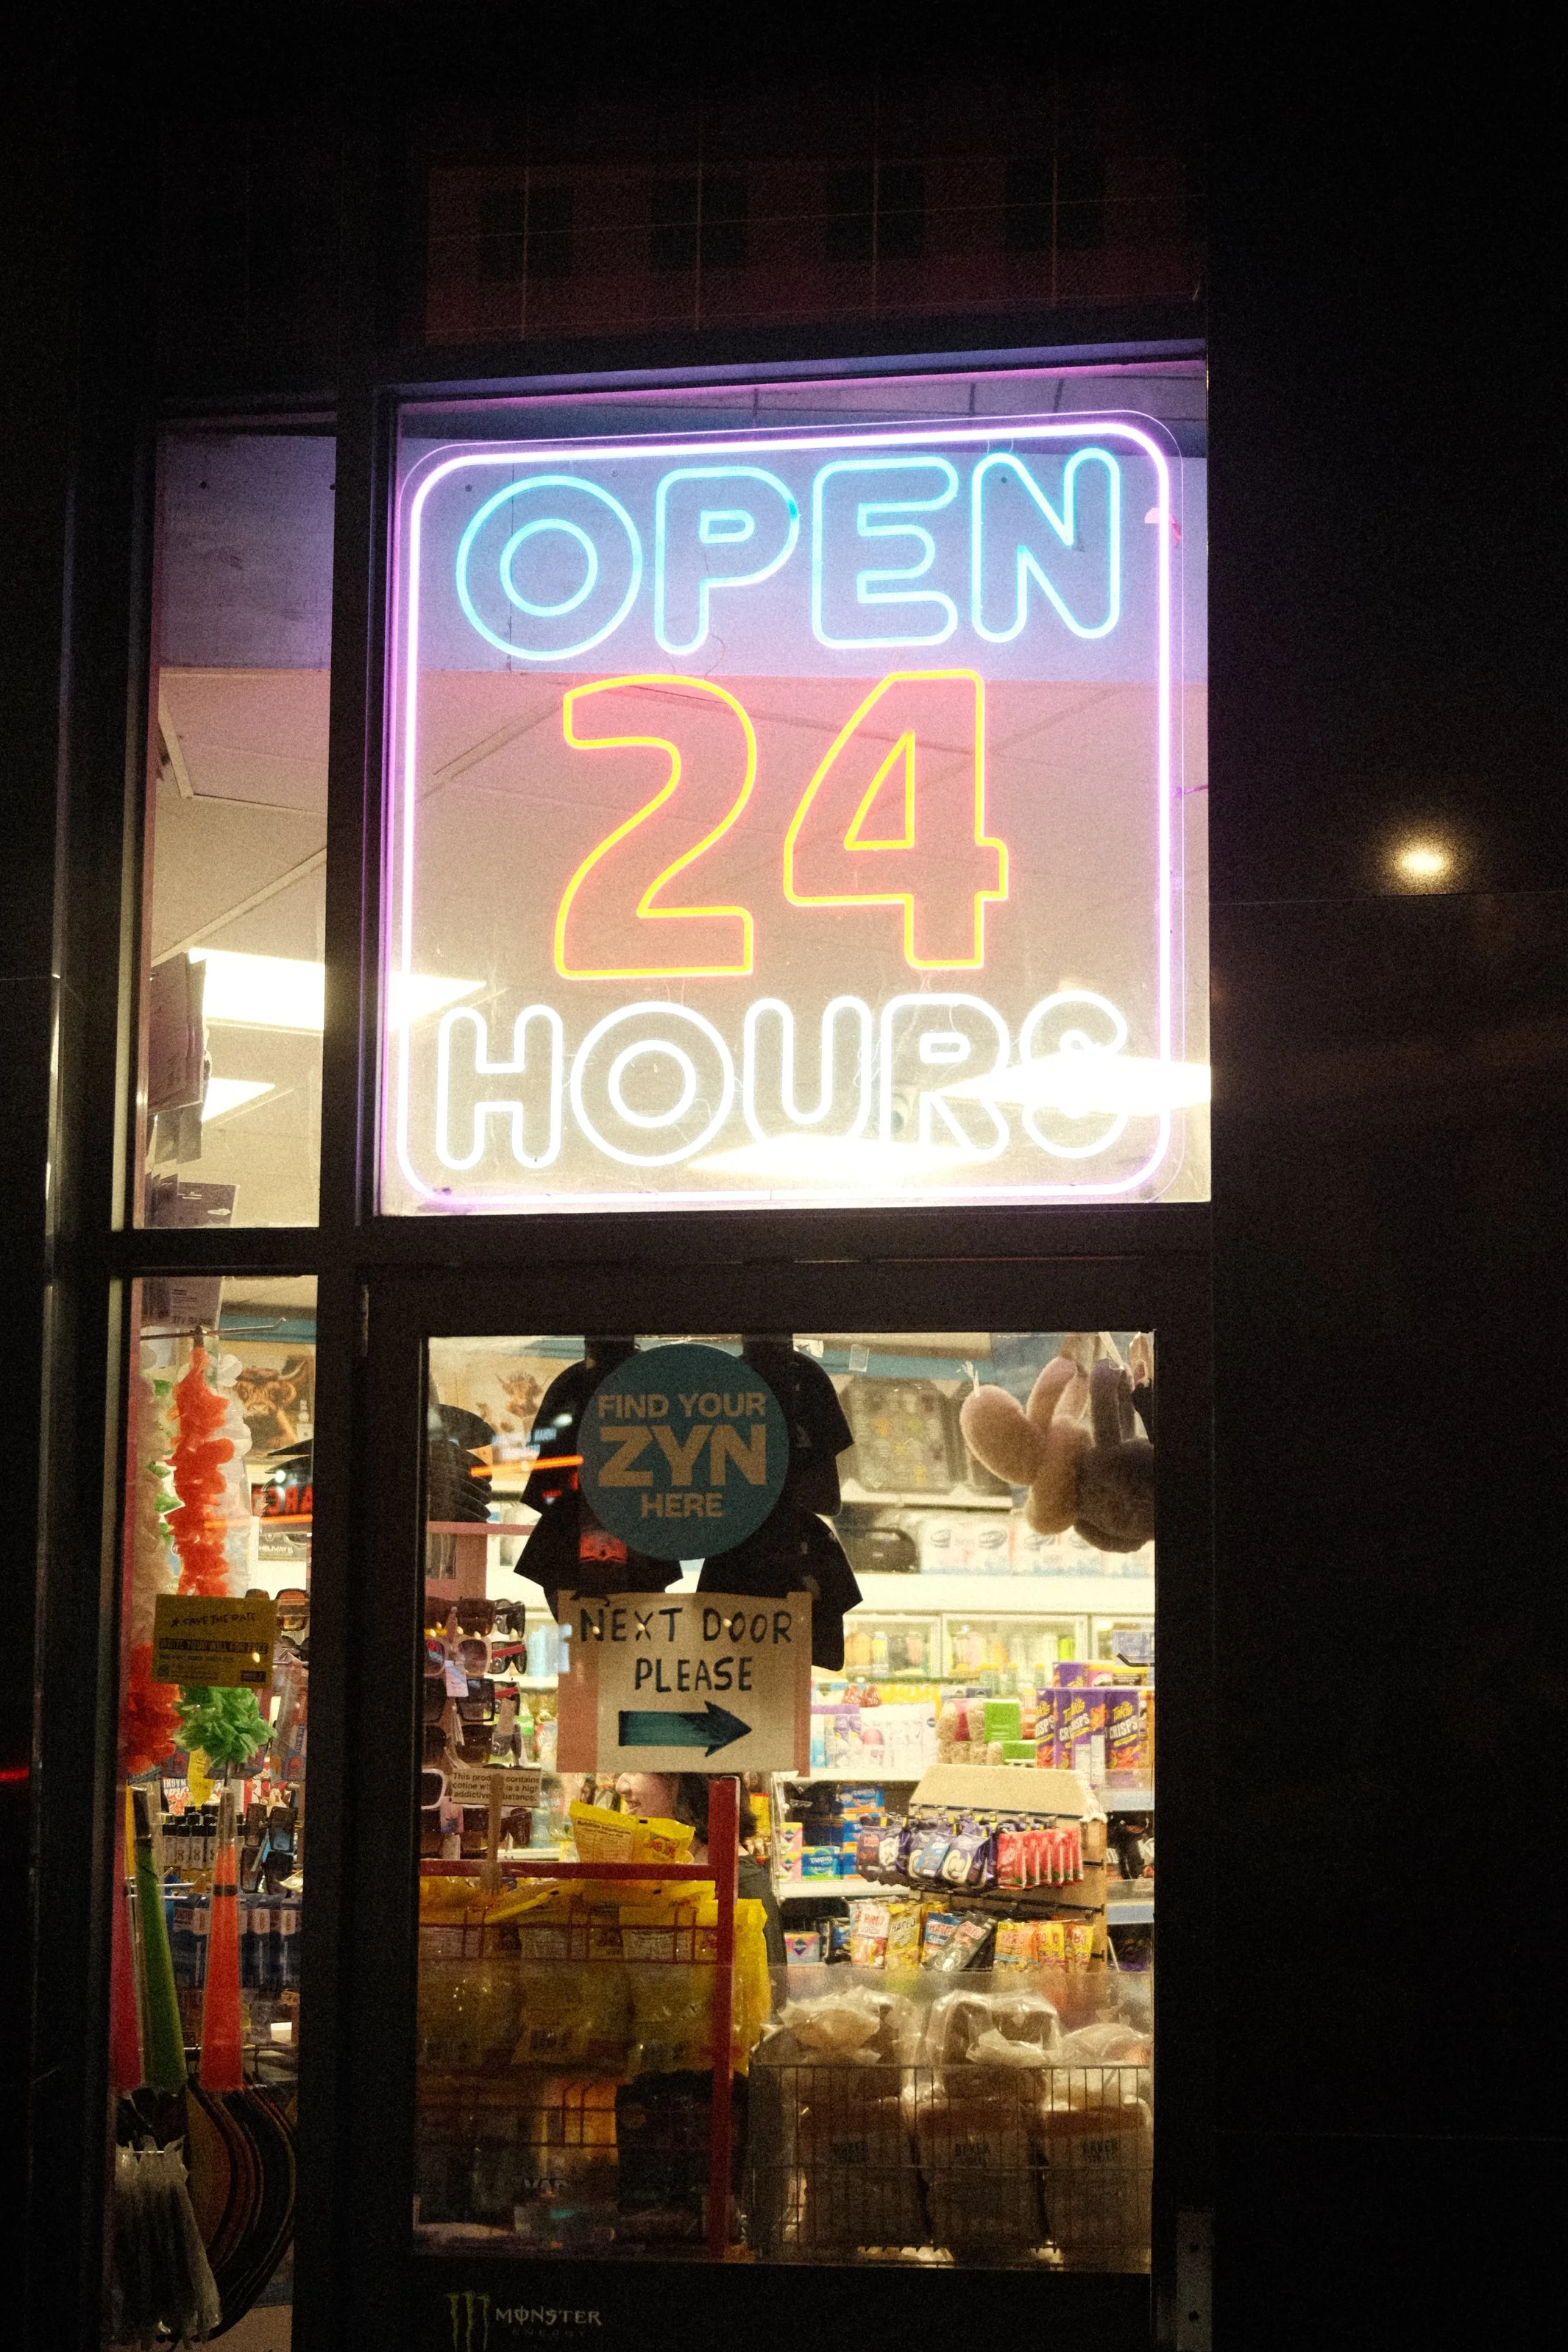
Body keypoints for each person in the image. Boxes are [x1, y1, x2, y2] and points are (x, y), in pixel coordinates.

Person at [615, 1771, 785, 1966]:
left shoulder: (742, 1887)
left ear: (686, 1782)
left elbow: (768, 1992)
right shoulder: (685, 1866)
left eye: (637, 1768)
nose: (621, 1786)